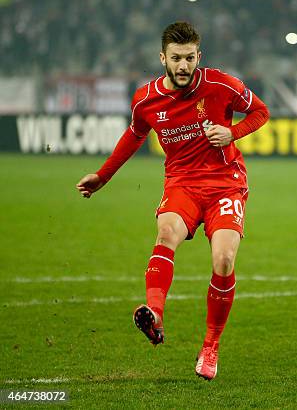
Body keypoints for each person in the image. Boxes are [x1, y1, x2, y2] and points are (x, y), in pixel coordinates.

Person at [76, 21, 269, 380]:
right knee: (166, 235)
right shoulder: (146, 99)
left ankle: (210, 346)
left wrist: (233, 132)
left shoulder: (222, 85)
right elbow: (133, 136)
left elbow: (261, 111)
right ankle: (154, 314)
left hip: (226, 184)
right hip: (182, 184)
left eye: (190, 58)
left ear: (200, 56)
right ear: (162, 57)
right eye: (177, 58)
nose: (184, 66)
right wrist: (103, 176)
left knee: (224, 260)